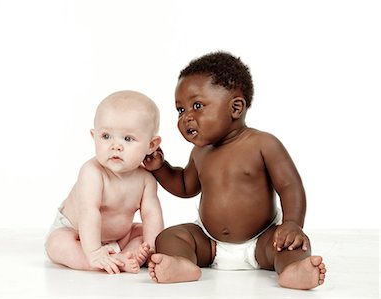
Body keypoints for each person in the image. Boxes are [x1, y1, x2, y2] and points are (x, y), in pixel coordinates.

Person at [143, 52, 326, 290]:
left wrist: (292, 224)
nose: (186, 117)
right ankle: (180, 264)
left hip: (263, 240)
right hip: (210, 243)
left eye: (197, 106)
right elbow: (186, 187)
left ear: (236, 108)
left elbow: (290, 186)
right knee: (169, 237)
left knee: (293, 245)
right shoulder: (200, 152)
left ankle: (293, 270)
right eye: (180, 110)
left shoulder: (263, 144)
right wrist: (161, 168)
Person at [45, 90, 164, 274]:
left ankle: (127, 256)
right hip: (77, 233)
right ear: (94, 137)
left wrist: (153, 249)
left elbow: (151, 215)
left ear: (151, 145)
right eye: (106, 136)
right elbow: (88, 212)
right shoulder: (92, 172)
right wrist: (93, 251)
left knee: (144, 233)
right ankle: (96, 262)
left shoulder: (146, 179)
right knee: (56, 244)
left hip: (119, 238)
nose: (115, 146)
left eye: (128, 138)